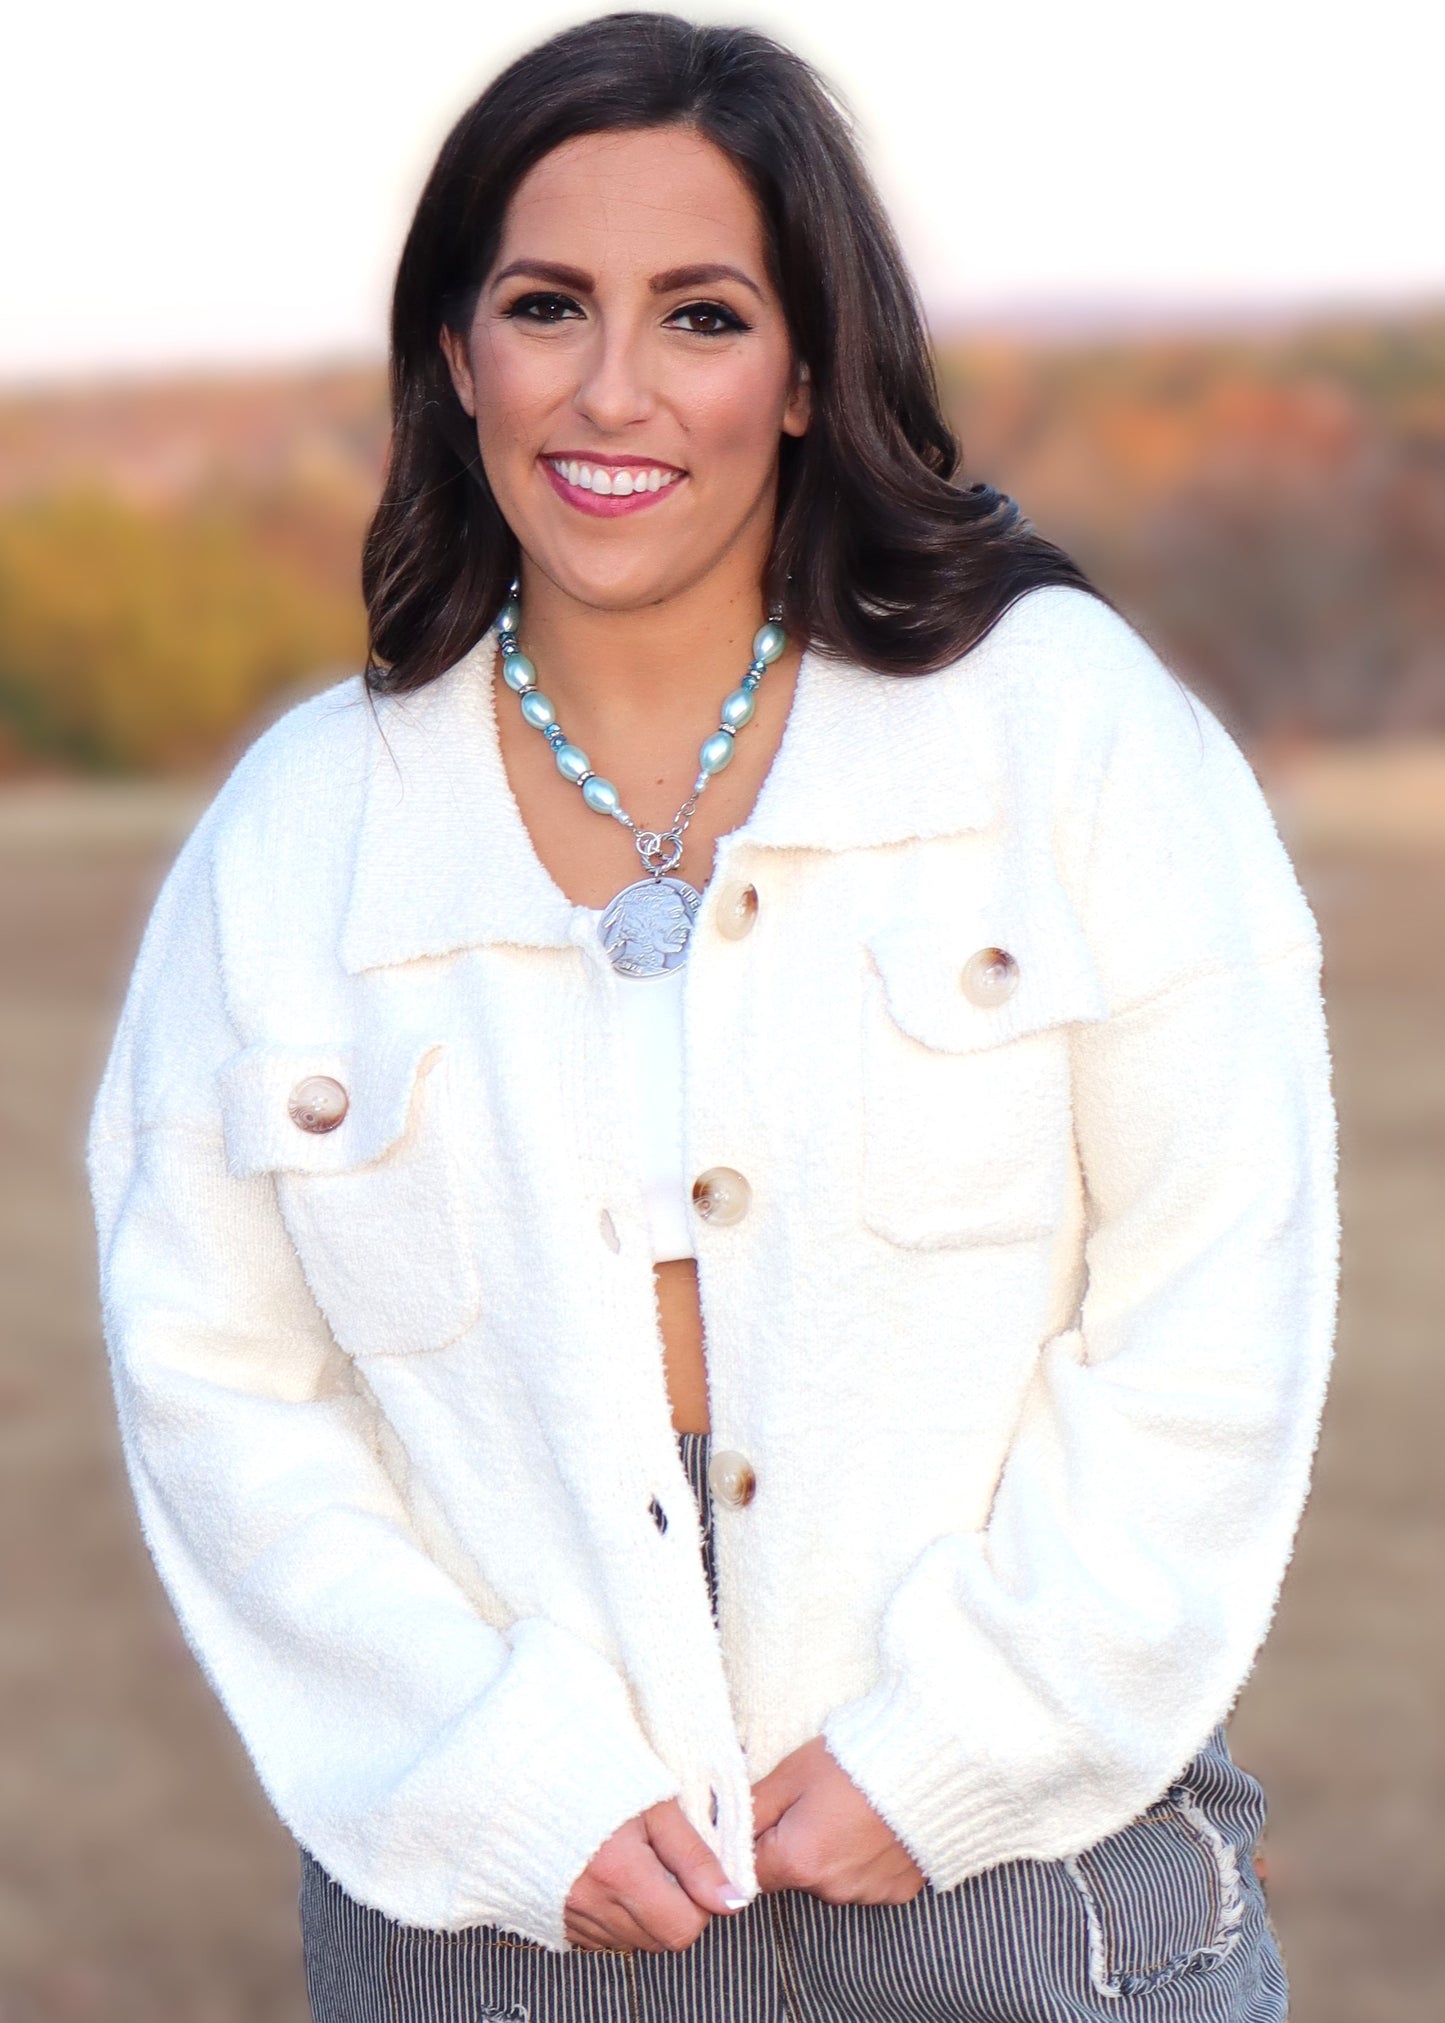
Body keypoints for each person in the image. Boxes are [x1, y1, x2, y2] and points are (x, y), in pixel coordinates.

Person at [88, 14, 1338, 2021]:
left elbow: (1220, 1282)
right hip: (499, 1930)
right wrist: (496, 1780)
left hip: (1018, 1893)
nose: (611, 389)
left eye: (700, 315)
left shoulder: (1061, 729)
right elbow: (218, 1382)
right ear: (454, 356)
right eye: (546, 305)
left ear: (810, 368)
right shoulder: (299, 839)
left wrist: (969, 1736)